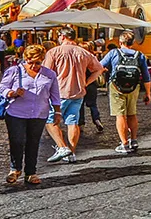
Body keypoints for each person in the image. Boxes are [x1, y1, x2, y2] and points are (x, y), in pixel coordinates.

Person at [0, 43, 61, 186]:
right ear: (25, 58)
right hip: (16, 112)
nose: (33, 66)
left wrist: (57, 112)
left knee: (34, 142)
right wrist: (11, 93)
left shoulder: (49, 74)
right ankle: (15, 169)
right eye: (30, 62)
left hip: (39, 113)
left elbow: (55, 94)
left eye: (38, 63)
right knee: (17, 141)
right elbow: (2, 87)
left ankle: (31, 172)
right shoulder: (15, 71)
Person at [43, 28, 105, 164]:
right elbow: (99, 69)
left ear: (63, 36)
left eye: (59, 35)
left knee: (50, 121)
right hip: (78, 92)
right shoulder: (84, 52)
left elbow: (46, 73)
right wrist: (86, 83)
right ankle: (71, 153)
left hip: (59, 92)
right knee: (72, 122)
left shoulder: (54, 52)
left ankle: (62, 148)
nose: (58, 37)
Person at [99, 31, 151, 154]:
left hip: (116, 87)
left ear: (120, 42)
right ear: (132, 42)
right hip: (133, 87)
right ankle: (133, 140)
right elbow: (146, 76)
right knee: (132, 114)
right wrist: (148, 93)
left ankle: (125, 144)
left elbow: (99, 66)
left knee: (120, 115)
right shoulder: (140, 55)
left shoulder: (113, 53)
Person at [79, 41, 105, 132]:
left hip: (81, 84)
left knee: (80, 105)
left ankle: (81, 123)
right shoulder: (93, 58)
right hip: (92, 85)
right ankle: (97, 119)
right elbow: (100, 69)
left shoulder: (79, 59)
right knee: (93, 105)